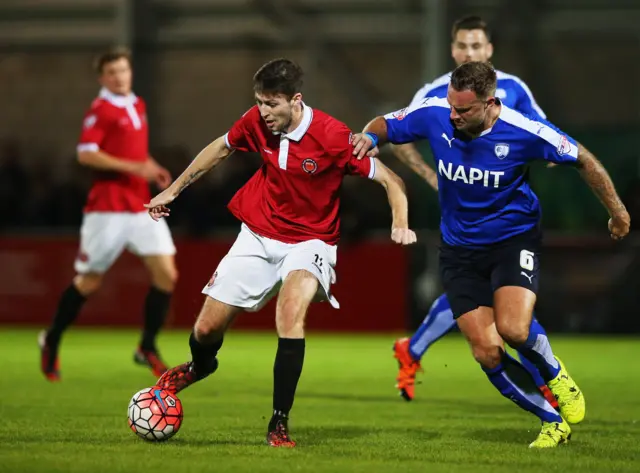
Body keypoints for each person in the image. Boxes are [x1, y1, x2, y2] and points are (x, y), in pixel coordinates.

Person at [353, 61, 630, 447]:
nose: (453, 115)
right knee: (486, 352)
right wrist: (369, 138)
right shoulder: (436, 113)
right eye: (451, 105)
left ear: (489, 103)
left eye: (463, 110)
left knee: (515, 329)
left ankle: (553, 372)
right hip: (458, 250)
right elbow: (385, 123)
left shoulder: (524, 131)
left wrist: (617, 213)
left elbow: (583, 159)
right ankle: (551, 420)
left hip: (512, 242)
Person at [143, 58, 416, 447]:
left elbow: (392, 180)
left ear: (296, 100)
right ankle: (199, 367)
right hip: (258, 233)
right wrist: (173, 191)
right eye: (259, 103)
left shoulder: (333, 136)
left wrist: (400, 223)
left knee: (289, 315)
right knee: (205, 329)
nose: (263, 113)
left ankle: (278, 423)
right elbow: (220, 149)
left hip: (311, 241)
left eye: (272, 104)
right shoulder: (255, 122)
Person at [390, 15, 555, 403]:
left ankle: (411, 348)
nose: (469, 52)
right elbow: (400, 136)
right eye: (463, 46)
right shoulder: (435, 92)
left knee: (495, 299)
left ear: (489, 50)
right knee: (488, 299)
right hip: (462, 213)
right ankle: (547, 383)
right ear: (452, 50)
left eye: (476, 46)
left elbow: (543, 132)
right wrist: (430, 176)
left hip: (507, 213)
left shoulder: (513, 88)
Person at [38, 47, 177, 381]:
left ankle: (146, 346)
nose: (119, 77)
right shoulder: (100, 110)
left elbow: (136, 150)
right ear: (102, 78)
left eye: (123, 70)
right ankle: (52, 338)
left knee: (167, 275)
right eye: (112, 73)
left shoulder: (136, 104)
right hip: (108, 209)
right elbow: (86, 153)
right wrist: (132, 167)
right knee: (90, 280)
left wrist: (152, 167)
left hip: (141, 206)